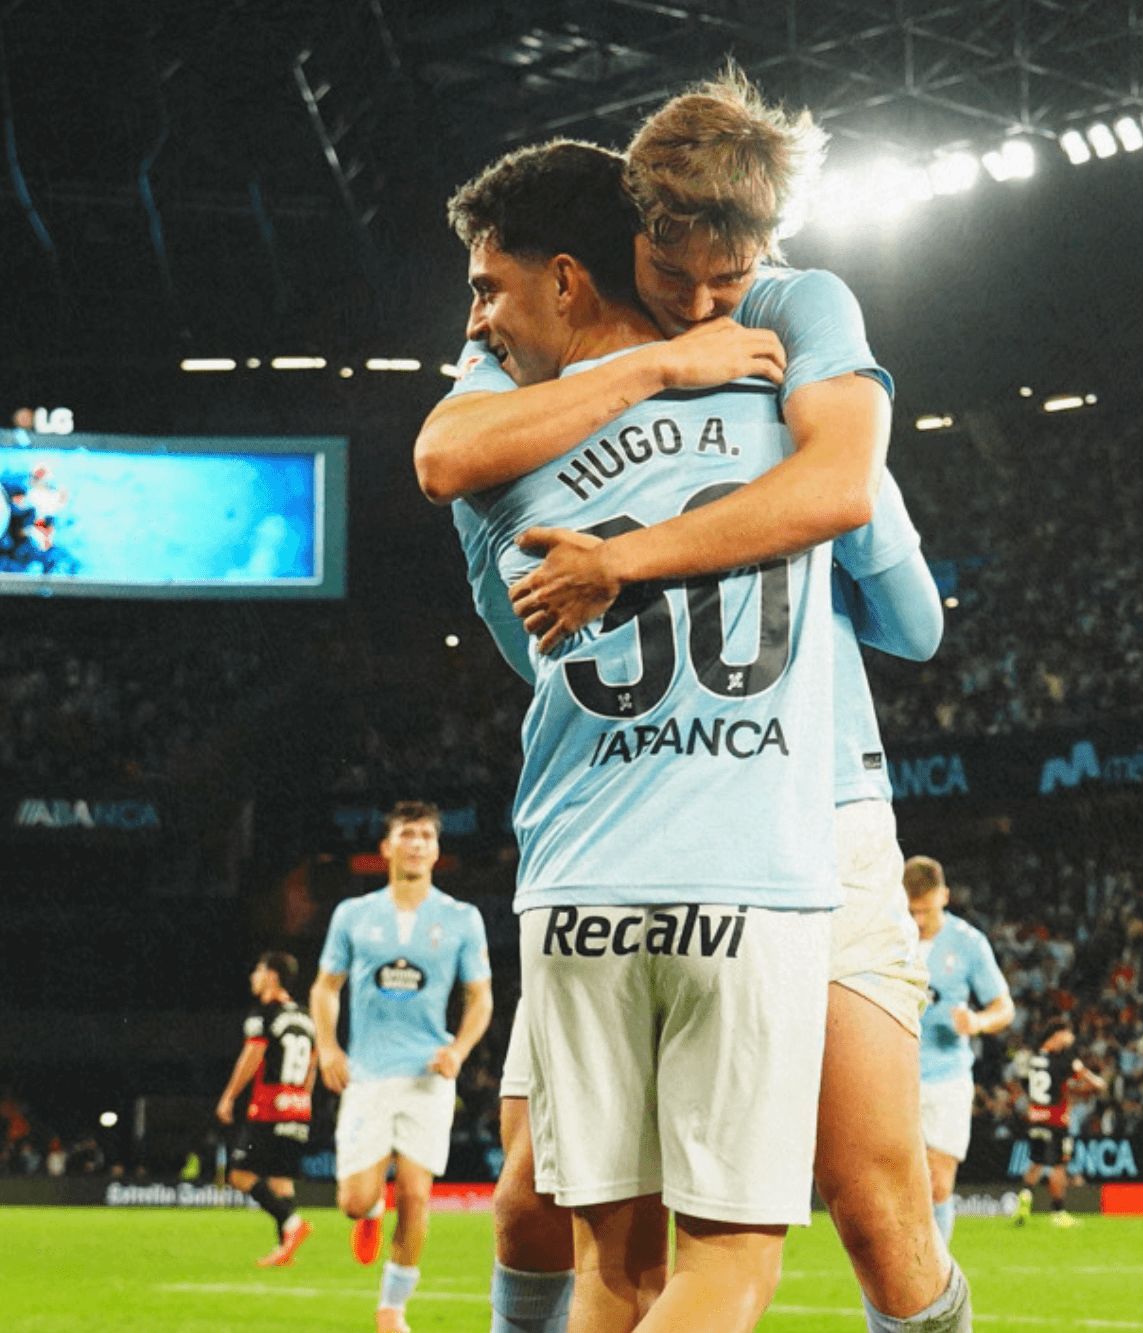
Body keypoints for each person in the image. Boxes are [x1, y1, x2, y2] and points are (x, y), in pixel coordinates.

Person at [439, 114, 943, 1331]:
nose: (713, 302)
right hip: (671, 815)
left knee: (869, 1203)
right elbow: (444, 454)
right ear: (621, 239)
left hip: (805, 804)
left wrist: (632, 557)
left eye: (734, 276)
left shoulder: (803, 313)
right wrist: (661, 383)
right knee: (562, 1208)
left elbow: (896, 594)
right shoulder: (521, 344)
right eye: (676, 278)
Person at [312, 801, 494, 1333]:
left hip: (427, 1077)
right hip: (368, 1074)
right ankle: (368, 1217)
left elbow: (479, 997)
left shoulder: (461, 918)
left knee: (416, 1194)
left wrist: (458, 1050)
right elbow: (326, 987)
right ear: (387, 848)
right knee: (355, 1200)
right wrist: (328, 1047)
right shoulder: (353, 915)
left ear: (437, 851)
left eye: (426, 837)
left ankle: (392, 1310)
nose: (417, 844)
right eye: (407, 835)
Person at [904, 854, 1015, 1244]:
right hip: (893, 1077)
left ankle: (935, 1280)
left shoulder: (968, 943)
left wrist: (978, 1022)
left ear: (945, 897)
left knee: (937, 1182)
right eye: (910, 911)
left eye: (925, 911)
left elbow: (1004, 1007)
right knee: (898, 1186)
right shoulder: (887, 938)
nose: (917, 921)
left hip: (946, 1077)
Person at [216, 951, 316, 1266]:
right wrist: (303, 1098)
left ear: (272, 976)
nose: (253, 977)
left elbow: (253, 1055)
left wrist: (229, 1095)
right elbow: (313, 1063)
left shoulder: (264, 1014)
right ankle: (285, 1249)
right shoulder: (305, 1016)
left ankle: (292, 1224)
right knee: (280, 1180)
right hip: (299, 1106)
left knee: (239, 1174)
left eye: (258, 971)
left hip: (269, 1106)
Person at [1014, 1018, 1106, 1229]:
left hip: (1035, 1117)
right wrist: (1096, 1083)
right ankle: (1058, 1212)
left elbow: (1034, 1087)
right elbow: (1089, 1080)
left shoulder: (1035, 1058)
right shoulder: (1063, 1060)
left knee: (1036, 1162)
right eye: (1067, 1035)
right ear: (1056, 1035)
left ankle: (1025, 1197)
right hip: (1056, 1120)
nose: (1069, 1040)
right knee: (1058, 1166)